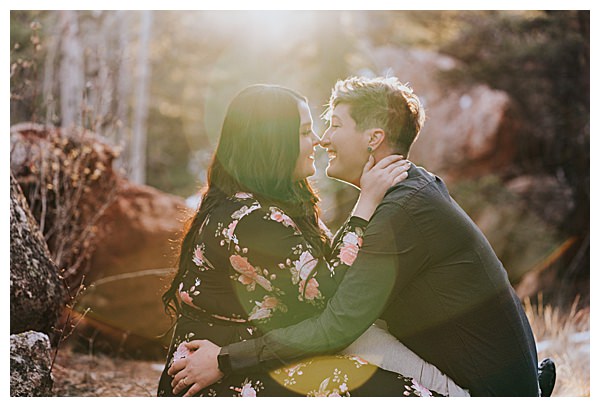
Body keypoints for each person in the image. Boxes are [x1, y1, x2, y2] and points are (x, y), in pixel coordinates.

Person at [168, 76, 545, 397]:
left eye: (333, 125)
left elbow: (335, 322)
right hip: (203, 370)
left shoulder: (402, 209)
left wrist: (226, 358)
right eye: (309, 130)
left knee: (346, 342)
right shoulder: (408, 191)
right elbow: (336, 300)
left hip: (483, 387)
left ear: (373, 138)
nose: (321, 139)